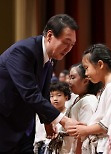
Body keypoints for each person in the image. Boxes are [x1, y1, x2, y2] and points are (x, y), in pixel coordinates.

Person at [0, 14, 78, 153]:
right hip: (5, 124)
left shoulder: (49, 57)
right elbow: (30, 93)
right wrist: (63, 120)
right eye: (66, 42)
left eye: (72, 45)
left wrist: (48, 121)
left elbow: (42, 92)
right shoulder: (23, 51)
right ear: (49, 36)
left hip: (23, 128)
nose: (68, 49)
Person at [67, 44, 111, 154]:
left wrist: (86, 130)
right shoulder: (108, 87)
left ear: (100, 64)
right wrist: (87, 127)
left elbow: (109, 124)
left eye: (87, 68)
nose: (86, 74)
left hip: (107, 146)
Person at [34, 81, 71, 154]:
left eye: (59, 95)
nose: (55, 99)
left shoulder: (68, 113)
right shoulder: (43, 114)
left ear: (66, 97)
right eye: (51, 96)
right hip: (41, 147)